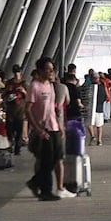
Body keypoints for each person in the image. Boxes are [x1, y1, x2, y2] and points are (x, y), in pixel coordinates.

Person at [25, 57, 63, 201]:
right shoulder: (34, 87)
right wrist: (37, 129)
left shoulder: (50, 85)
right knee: (47, 160)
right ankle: (46, 190)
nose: (51, 72)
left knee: (56, 157)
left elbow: (52, 107)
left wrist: (59, 125)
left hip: (53, 125)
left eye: (52, 69)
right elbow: (27, 110)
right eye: (48, 70)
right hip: (42, 128)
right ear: (40, 71)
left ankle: (35, 182)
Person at [52, 74, 74, 199]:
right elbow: (68, 101)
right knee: (59, 157)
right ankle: (60, 187)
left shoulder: (40, 88)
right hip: (58, 124)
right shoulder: (63, 87)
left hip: (42, 127)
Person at [4, 64, 28, 155]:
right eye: (15, 73)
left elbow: (28, 96)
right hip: (10, 109)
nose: (16, 74)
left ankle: (17, 148)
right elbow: (4, 95)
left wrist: (23, 91)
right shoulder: (9, 83)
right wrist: (8, 91)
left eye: (18, 72)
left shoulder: (24, 83)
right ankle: (11, 144)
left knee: (19, 130)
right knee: (10, 129)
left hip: (20, 110)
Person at [88, 72, 107, 145]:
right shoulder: (102, 87)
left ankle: (92, 136)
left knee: (89, 123)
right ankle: (99, 140)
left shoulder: (89, 87)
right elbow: (104, 97)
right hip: (99, 108)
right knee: (99, 125)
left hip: (90, 108)